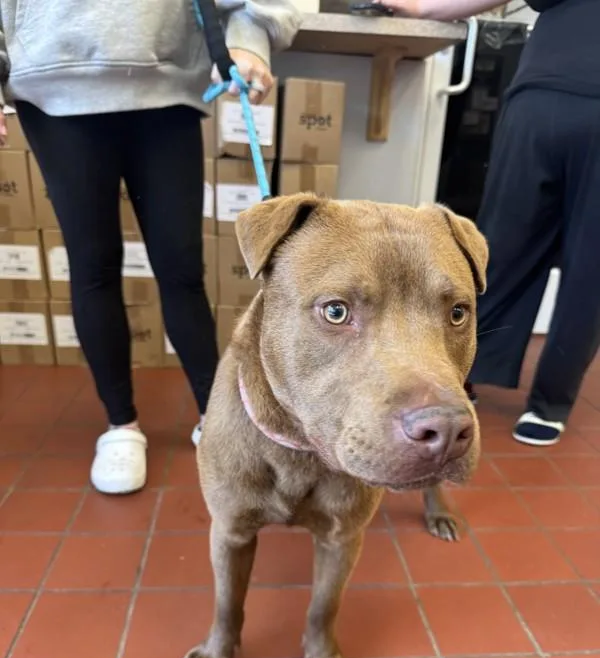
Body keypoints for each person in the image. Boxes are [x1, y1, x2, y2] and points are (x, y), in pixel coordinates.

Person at [0, 0, 302, 493]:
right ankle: (121, 426)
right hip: (53, 88)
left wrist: (249, 38)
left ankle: (216, 414)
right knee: (93, 265)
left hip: (167, 88)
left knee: (182, 268)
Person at [376, 0, 600, 447]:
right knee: (572, 266)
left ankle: (472, 376)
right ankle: (543, 404)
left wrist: (423, 10)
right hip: (544, 93)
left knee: (503, 249)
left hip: (543, 95)